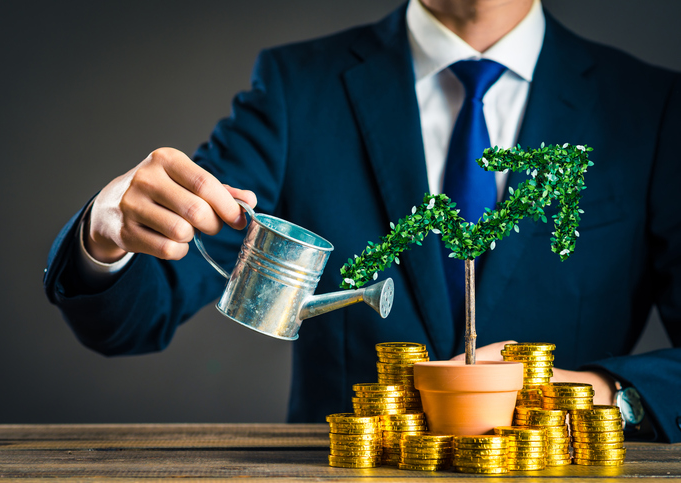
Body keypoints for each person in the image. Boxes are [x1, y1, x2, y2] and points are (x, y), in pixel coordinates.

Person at [44, 0, 681, 442]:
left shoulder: (648, 108)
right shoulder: (298, 88)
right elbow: (139, 314)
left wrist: (600, 392)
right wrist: (106, 238)